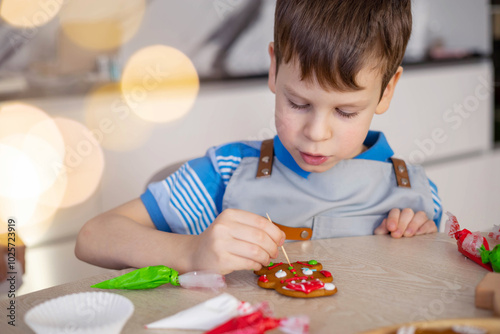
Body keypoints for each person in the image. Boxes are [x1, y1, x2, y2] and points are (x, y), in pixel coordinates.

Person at [76, 0, 442, 275]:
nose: (316, 133)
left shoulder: (417, 192)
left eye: (345, 112)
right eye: (298, 103)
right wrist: (191, 252)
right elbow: (94, 236)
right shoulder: (228, 172)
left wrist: (423, 245)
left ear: (387, 90)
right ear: (274, 68)